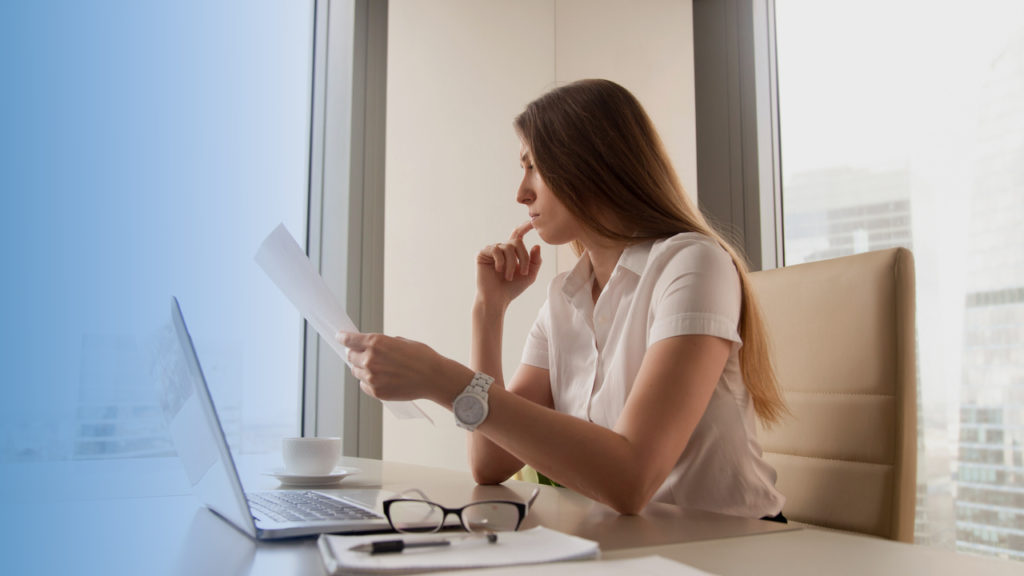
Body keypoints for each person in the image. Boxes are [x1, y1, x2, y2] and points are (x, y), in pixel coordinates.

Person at [338, 79, 787, 519]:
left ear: (592, 166)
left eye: (533, 166)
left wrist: (441, 379)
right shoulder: (564, 297)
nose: (521, 193)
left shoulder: (692, 264)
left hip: (732, 545)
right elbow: (491, 461)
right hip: (634, 545)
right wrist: (489, 311)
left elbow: (631, 479)